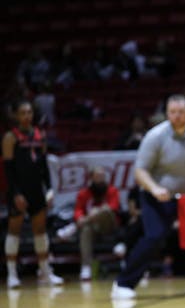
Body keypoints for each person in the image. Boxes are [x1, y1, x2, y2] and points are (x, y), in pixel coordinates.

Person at [110, 95, 185, 301]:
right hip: (157, 197)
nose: (177, 116)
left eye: (181, 112)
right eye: (172, 112)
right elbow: (140, 171)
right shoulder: (155, 136)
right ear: (167, 113)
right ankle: (123, 283)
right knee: (154, 237)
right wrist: (154, 188)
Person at [4, 98, 64, 288]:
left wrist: (50, 189)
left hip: (37, 190)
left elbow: (44, 167)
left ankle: (45, 272)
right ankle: (12, 274)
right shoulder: (10, 137)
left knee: (40, 231)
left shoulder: (40, 135)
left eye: (29, 112)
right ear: (16, 115)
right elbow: (9, 170)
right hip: (19, 191)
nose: (26, 116)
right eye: (22, 113)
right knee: (14, 231)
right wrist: (16, 193)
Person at [57, 167, 121, 281]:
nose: (101, 179)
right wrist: (80, 217)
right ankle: (86, 266)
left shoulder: (112, 190)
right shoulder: (83, 193)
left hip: (108, 224)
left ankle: (72, 228)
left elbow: (114, 207)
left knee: (104, 210)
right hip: (91, 227)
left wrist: (95, 212)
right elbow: (78, 210)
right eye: (98, 177)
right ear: (91, 178)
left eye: (103, 177)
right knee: (86, 229)